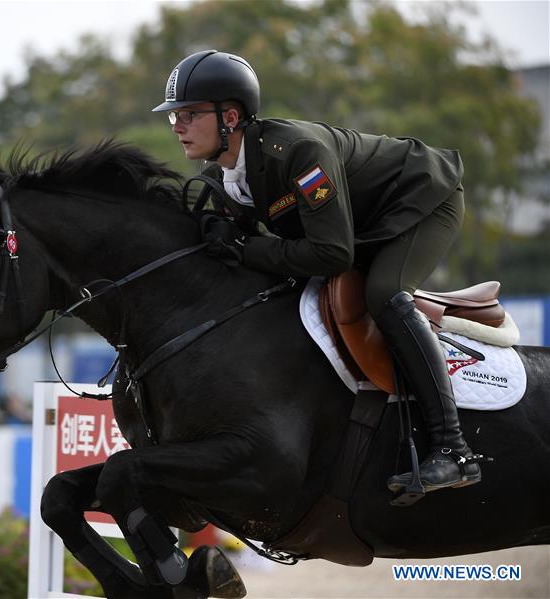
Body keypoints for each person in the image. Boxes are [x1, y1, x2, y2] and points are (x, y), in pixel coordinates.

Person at [153, 49, 485, 498]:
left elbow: (330, 253)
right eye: (175, 115)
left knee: (384, 292)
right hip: (360, 224)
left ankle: (454, 449)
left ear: (229, 116)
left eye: (189, 115)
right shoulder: (228, 175)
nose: (177, 126)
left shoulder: (297, 153)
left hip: (423, 200)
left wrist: (247, 247)